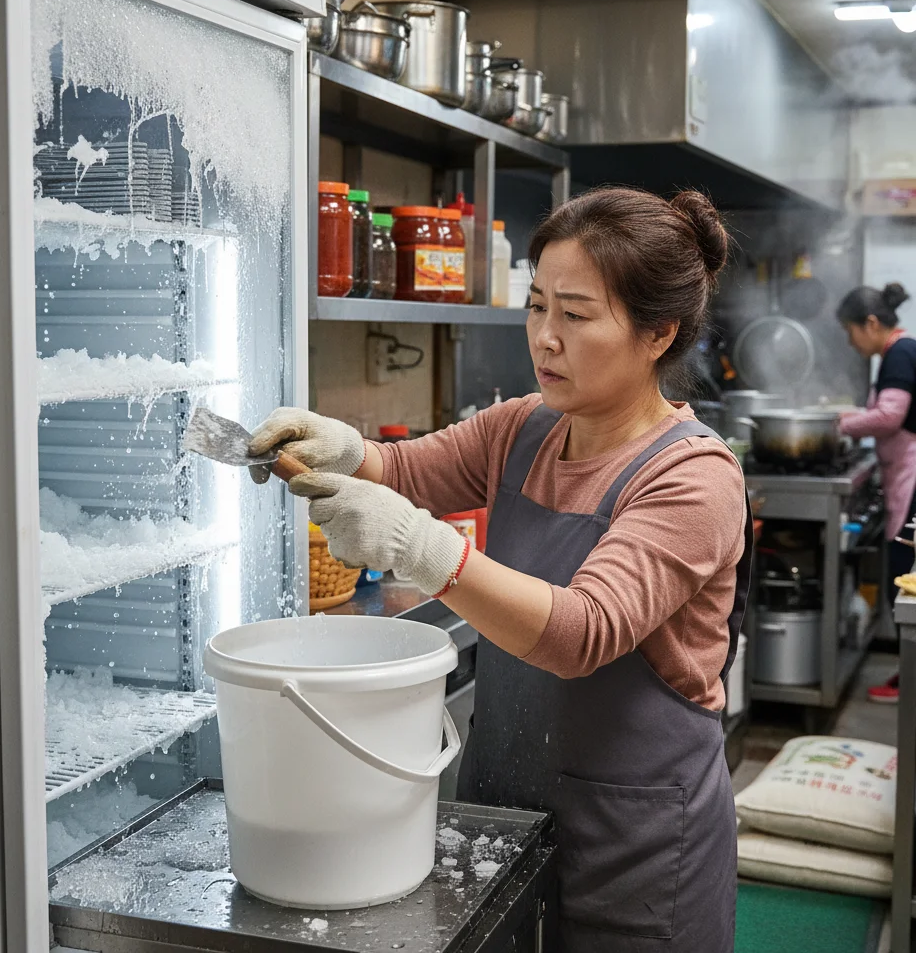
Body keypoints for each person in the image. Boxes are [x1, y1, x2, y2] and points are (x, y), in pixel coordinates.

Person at [249, 187, 751, 952]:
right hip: (505, 819)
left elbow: (583, 632)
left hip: (636, 848)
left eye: (577, 315)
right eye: (537, 305)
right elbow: (405, 467)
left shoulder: (692, 478)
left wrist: (420, 547)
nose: (545, 338)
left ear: (659, 333)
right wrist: (343, 449)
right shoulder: (526, 428)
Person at [837, 282, 916, 704]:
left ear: (870, 323)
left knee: (903, 580)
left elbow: (889, 417)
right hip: (903, 473)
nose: (850, 342)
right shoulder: (899, 351)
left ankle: (910, 682)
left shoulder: (900, 354)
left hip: (913, 478)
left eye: (850, 331)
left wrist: (840, 423)